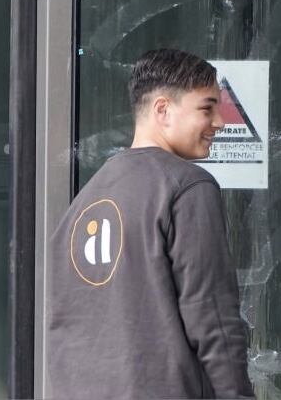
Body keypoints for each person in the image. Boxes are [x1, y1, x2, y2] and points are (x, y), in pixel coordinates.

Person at [45, 48, 252, 399]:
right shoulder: (186, 186)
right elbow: (212, 314)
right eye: (207, 107)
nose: (220, 121)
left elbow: (63, 324)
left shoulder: (85, 200)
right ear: (162, 110)